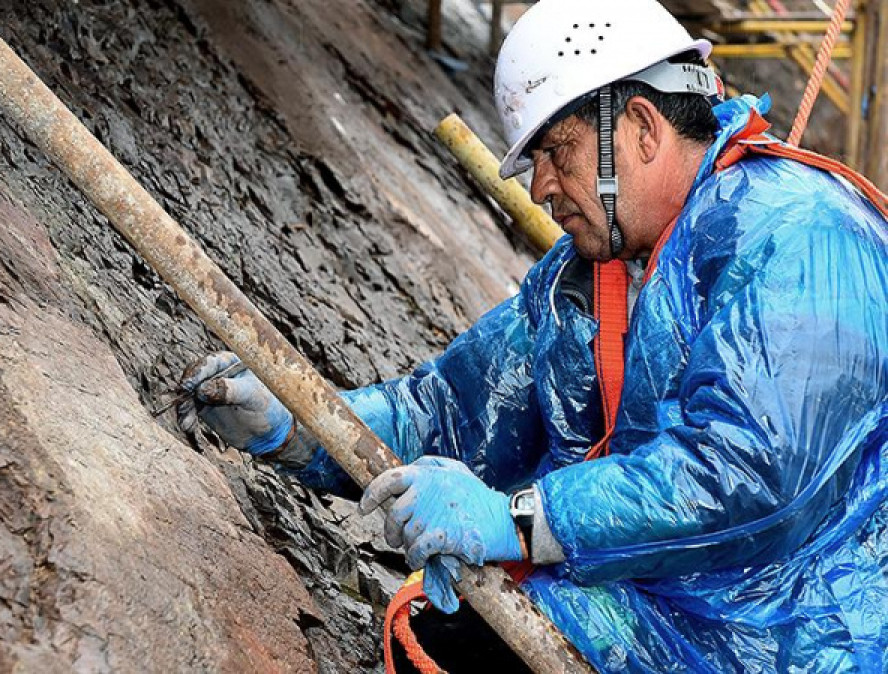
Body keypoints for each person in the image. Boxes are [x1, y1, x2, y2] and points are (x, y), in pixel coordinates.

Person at [177, 0, 888, 670]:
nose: (541, 186)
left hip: (800, 636)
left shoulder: (804, 236)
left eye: (559, 152)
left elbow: (746, 479)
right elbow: (456, 410)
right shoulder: (587, 276)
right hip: (670, 610)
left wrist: (519, 522)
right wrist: (298, 425)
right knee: (444, 632)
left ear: (642, 128)